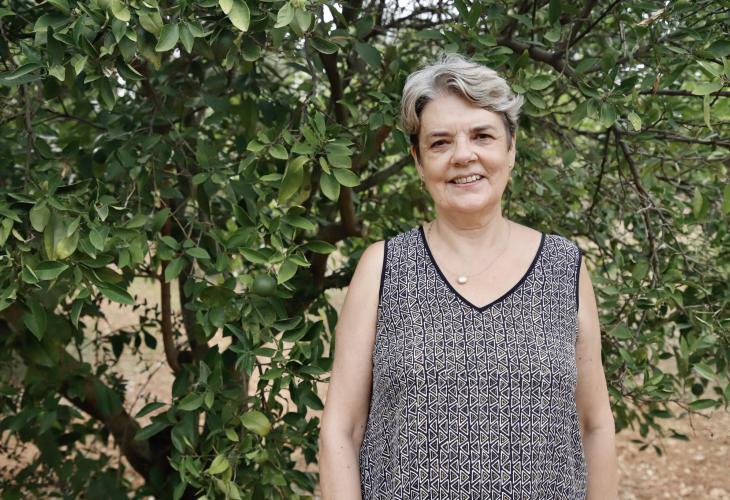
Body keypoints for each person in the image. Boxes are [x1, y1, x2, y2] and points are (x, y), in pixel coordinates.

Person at [318, 54, 618, 499]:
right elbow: (342, 429)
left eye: (482, 136)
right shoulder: (382, 267)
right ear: (419, 161)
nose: (463, 155)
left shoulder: (564, 267)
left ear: (511, 149)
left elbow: (595, 426)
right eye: (440, 143)